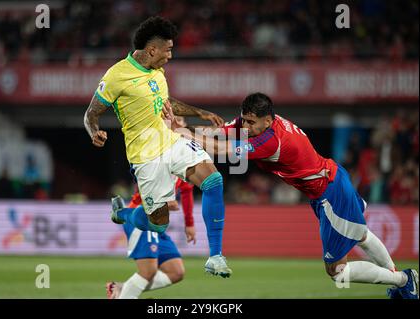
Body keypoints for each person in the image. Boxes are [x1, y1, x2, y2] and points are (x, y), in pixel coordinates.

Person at [181, 92, 418, 299]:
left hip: (330, 194)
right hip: (332, 179)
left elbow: (223, 149)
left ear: (268, 120)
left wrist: (183, 133)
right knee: (362, 235)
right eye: (244, 120)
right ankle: (403, 282)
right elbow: (221, 132)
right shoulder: (262, 124)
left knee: (337, 272)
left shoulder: (272, 141)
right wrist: (184, 128)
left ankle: (403, 281)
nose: (246, 127)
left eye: (251, 123)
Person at [84, 16, 231, 277]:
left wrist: (200, 112)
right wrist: (94, 132)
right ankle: (124, 214)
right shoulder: (117, 75)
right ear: (152, 50)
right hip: (144, 155)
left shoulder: (157, 71)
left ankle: (216, 257)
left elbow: (167, 102)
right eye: (168, 49)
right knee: (159, 224)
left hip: (170, 141)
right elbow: (91, 113)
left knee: (213, 181)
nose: (170, 56)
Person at [106, 175, 195, 299]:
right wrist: (164, 203)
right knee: (148, 272)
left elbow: (187, 191)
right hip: (140, 219)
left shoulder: (182, 170)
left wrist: (189, 223)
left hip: (156, 223)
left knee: (176, 272)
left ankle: (124, 288)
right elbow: (145, 188)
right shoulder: (156, 163)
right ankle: (125, 294)